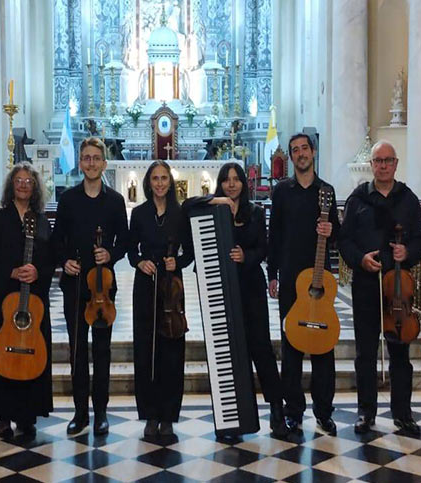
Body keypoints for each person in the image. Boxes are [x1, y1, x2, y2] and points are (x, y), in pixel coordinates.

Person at [185, 162, 288, 438]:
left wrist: (247, 256)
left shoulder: (254, 212)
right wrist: (214, 199)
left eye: (236, 180)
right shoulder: (212, 208)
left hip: (251, 287)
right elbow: (186, 205)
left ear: (243, 183)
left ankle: (277, 411)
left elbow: (263, 248)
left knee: (261, 349)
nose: (232, 185)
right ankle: (232, 418)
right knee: (228, 351)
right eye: (226, 180)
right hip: (221, 289)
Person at [338, 140, 421, 437]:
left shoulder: (408, 199)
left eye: (389, 160)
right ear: (372, 165)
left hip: (399, 288)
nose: (384, 165)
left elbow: (420, 239)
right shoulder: (358, 199)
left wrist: (408, 254)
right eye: (378, 160)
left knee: (400, 353)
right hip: (366, 285)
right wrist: (360, 259)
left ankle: (403, 413)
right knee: (365, 352)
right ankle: (366, 412)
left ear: (396, 164)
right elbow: (345, 240)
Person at [51, 137, 129, 435]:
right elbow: (58, 240)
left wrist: (110, 253)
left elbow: (124, 241)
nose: (92, 163)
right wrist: (65, 261)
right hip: (75, 286)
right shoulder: (69, 199)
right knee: (77, 351)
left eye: (97, 158)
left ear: (104, 163)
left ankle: (101, 413)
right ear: (81, 162)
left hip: (103, 287)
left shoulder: (115, 201)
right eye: (86, 158)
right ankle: (80, 412)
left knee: (103, 350)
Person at [267, 133, 340, 436]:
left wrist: (331, 229)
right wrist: (271, 273)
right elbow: (275, 234)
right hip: (290, 278)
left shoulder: (327, 191)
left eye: (304, 149)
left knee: (323, 347)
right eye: (295, 150)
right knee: (292, 345)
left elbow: (337, 235)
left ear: (313, 152)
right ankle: (293, 411)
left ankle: (324, 411)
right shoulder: (282, 191)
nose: (300, 154)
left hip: (319, 277)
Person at [0, 163, 54, 439]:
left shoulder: (43, 221)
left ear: (35, 187)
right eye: (18, 181)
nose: (23, 185)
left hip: (33, 300)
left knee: (32, 354)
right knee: (3, 354)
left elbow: (51, 259)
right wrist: (10, 272)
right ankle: (3, 415)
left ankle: (28, 416)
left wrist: (38, 271)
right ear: (11, 185)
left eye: (28, 181)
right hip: (3, 300)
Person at [128, 161, 194, 437]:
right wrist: (140, 262)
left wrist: (175, 262)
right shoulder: (140, 213)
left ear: (171, 181)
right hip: (145, 284)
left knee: (171, 351)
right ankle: (150, 415)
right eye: (155, 178)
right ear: (148, 182)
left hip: (172, 288)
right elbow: (131, 250)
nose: (159, 183)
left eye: (164, 178)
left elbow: (190, 253)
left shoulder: (181, 213)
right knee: (145, 350)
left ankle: (168, 415)